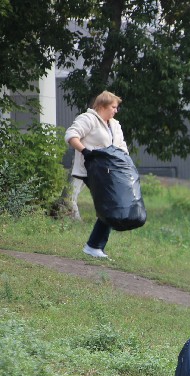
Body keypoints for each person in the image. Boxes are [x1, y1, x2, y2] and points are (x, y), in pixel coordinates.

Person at [64, 90, 128, 258]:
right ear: (102, 106)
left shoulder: (115, 125)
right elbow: (71, 135)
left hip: (111, 172)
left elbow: (122, 146)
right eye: (113, 107)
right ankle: (93, 246)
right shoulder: (88, 119)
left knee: (110, 206)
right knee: (110, 205)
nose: (116, 110)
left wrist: (126, 164)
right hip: (92, 171)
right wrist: (86, 152)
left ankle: (94, 246)